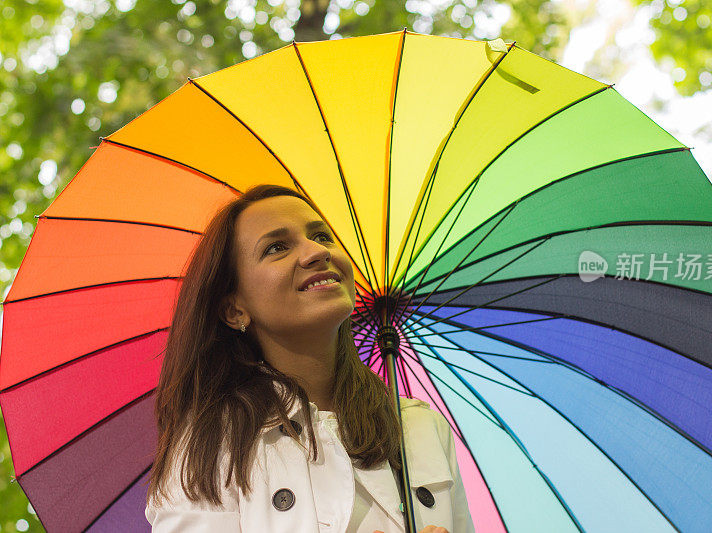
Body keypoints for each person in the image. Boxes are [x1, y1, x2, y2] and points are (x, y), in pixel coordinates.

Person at [144, 184, 475, 533]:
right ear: (234, 309)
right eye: (277, 247)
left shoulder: (419, 427)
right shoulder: (209, 445)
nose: (317, 252)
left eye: (321, 236)